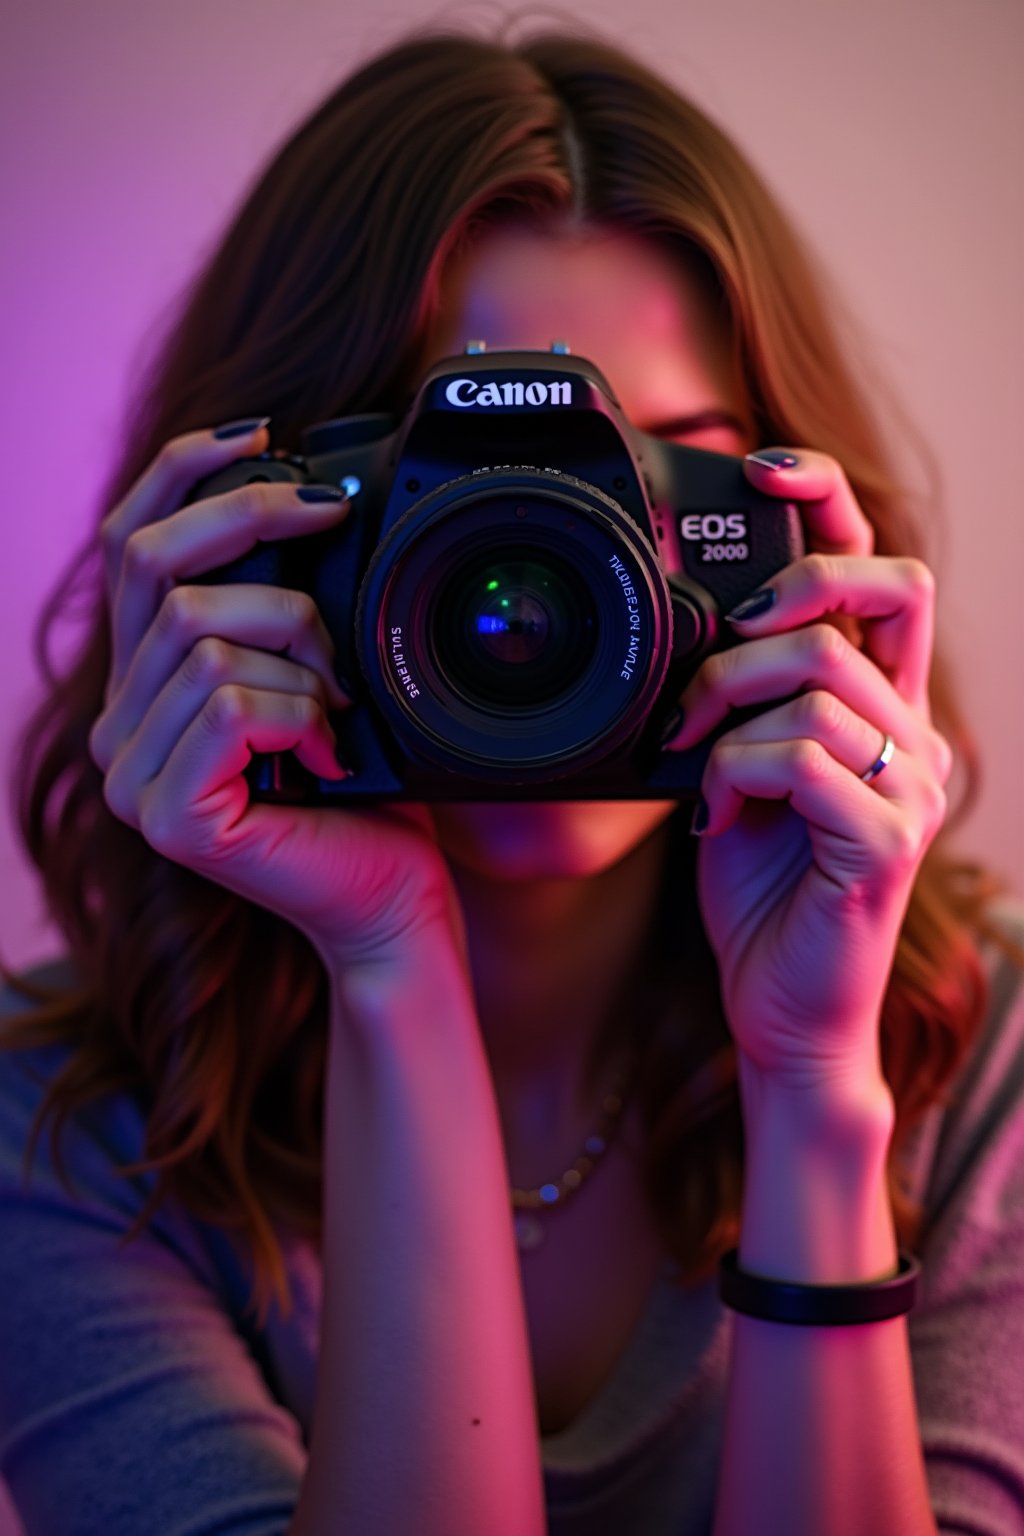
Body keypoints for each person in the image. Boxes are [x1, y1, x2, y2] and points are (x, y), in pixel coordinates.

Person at [1, 25, 1022, 1536]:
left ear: (795, 526)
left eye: (651, 477)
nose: (547, 583)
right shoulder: (56, 1131)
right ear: (255, 526)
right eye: (463, 494)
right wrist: (387, 963)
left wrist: (817, 1087)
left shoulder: (958, 1046)